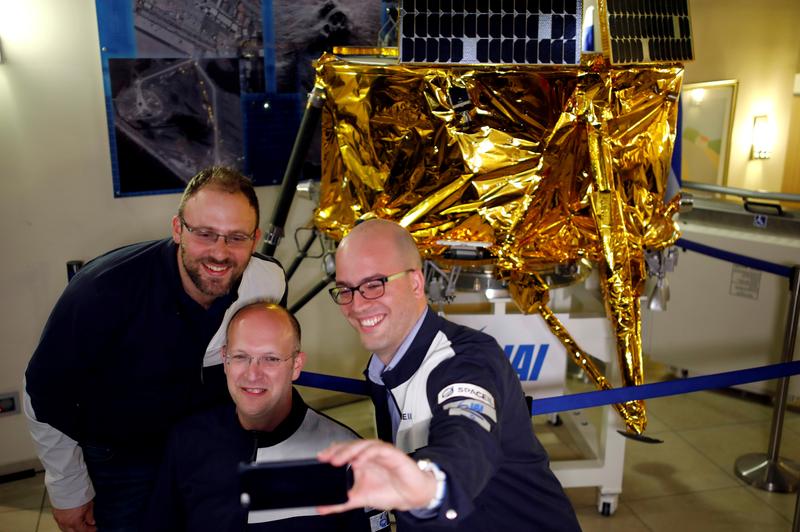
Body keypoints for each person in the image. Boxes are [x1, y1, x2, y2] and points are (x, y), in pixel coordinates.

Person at [24, 167, 287, 532]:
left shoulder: (266, 282)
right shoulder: (103, 292)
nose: (220, 253)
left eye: (236, 237)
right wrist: (68, 490)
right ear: (178, 229)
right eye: (205, 233)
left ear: (255, 239)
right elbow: (41, 394)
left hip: (208, 446)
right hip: (122, 457)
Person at [316, 219, 581, 531]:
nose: (357, 304)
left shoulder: (465, 360)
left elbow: (468, 435)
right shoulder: (383, 369)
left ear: (416, 283)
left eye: (374, 284)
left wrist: (431, 486)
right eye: (346, 290)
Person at [143, 302, 389, 531]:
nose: (252, 374)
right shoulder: (187, 442)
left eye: (270, 359)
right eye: (241, 357)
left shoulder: (349, 457)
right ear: (225, 360)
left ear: (296, 365)